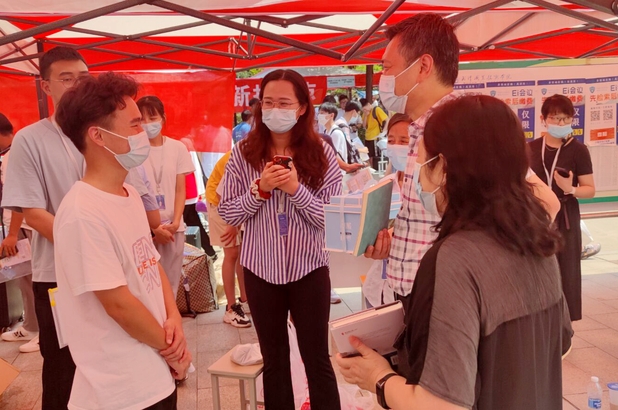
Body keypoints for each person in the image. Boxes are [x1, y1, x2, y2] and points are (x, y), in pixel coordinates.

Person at [337, 95, 572, 410]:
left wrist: (378, 378)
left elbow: (442, 404)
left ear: (444, 168)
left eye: (422, 162)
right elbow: (559, 346)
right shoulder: (538, 242)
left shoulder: (455, 259)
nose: (419, 177)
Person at [363, 14, 561, 312]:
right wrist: (395, 240)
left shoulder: (465, 127)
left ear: (423, 66)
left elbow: (546, 204)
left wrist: (469, 273)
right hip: (414, 294)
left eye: (387, 67)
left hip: (448, 299)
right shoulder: (417, 128)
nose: (384, 78)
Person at [54, 71, 190, 410]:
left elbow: (150, 263)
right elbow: (119, 305)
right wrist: (172, 349)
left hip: (154, 373)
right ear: (98, 136)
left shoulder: (128, 193)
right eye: (134, 125)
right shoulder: (82, 212)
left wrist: (173, 316)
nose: (142, 133)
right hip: (120, 389)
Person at [218, 69, 342, 409]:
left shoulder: (322, 153)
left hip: (309, 269)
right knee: (274, 361)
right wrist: (260, 190)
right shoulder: (243, 153)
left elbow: (330, 221)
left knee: (317, 358)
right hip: (260, 270)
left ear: (301, 108)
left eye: (284, 103)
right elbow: (228, 211)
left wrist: (295, 189)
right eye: (268, 102)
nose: (275, 109)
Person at [1, 46, 89, 408]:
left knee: (103, 359)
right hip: (57, 273)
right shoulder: (30, 139)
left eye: (83, 78)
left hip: (108, 270)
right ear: (46, 86)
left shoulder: (103, 131)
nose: (76, 86)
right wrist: (89, 244)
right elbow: (34, 213)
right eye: (66, 79)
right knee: (63, 365)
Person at [529, 94, 595, 321]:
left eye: (566, 119)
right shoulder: (530, 148)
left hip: (566, 215)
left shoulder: (578, 150)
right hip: (536, 215)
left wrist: (571, 188)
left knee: (567, 270)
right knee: (536, 266)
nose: (561, 123)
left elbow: (590, 189)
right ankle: (538, 319)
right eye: (556, 118)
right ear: (543, 119)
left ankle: (566, 322)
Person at [138, 95, 195, 297]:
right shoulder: (134, 151)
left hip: (173, 228)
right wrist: (153, 228)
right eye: (142, 119)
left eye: (152, 118)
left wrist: (176, 221)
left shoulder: (177, 148)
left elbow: (180, 189)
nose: (147, 124)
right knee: (148, 285)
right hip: (144, 230)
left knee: (171, 284)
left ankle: (171, 316)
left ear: (163, 118)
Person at [0, 113, 39, 353]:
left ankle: (44, 331)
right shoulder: (10, 154)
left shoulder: (15, 154)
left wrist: (13, 233)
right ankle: (31, 326)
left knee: (35, 280)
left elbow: (20, 197)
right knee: (25, 280)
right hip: (20, 227)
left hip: (25, 227)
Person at [206, 152, 251, 327]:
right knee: (232, 253)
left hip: (236, 206)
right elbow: (222, 193)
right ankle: (231, 309)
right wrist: (233, 222)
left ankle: (245, 299)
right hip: (220, 204)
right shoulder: (240, 156)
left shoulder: (259, 154)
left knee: (242, 253)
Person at [360, 97, 388, 169]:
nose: (365, 110)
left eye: (365, 108)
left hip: (375, 137)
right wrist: (366, 115)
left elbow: (387, 120)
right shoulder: (365, 113)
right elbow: (364, 126)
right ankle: (371, 169)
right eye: (363, 109)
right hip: (367, 137)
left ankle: (376, 169)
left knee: (375, 156)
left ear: (369, 104)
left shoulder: (376, 109)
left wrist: (384, 132)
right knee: (368, 156)